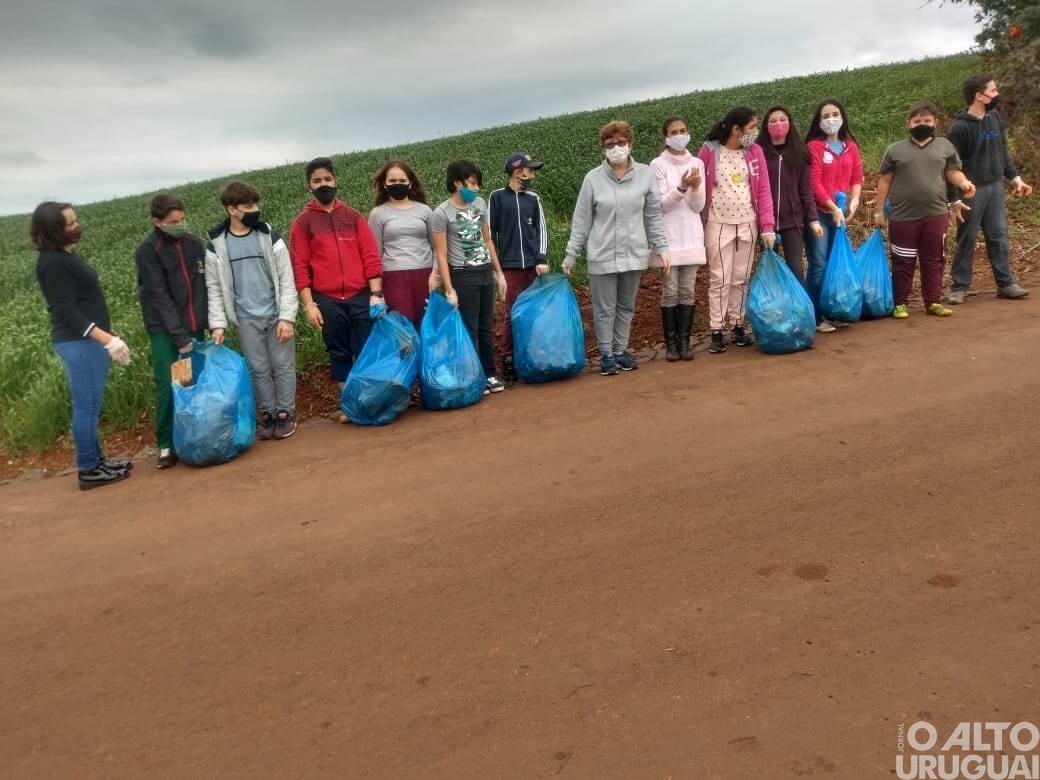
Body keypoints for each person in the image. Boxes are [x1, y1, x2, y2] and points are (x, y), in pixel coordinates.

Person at [32, 202, 133, 490]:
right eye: (69, 224)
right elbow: (65, 310)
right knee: (86, 407)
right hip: (78, 343)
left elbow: (83, 302)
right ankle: (89, 468)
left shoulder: (63, 256)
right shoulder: (52, 262)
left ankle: (98, 461)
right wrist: (106, 339)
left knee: (91, 404)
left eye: (75, 221)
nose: (76, 227)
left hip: (87, 341)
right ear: (53, 231)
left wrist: (107, 332)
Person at [564, 120, 670, 376]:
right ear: (603, 149)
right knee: (604, 308)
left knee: (626, 305)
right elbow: (582, 220)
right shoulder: (593, 179)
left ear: (630, 144)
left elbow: (653, 215)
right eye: (610, 144)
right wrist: (571, 254)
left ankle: (621, 350)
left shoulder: (645, 174)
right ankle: (606, 355)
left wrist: (661, 247)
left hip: (634, 252)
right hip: (602, 254)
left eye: (621, 143)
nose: (616, 148)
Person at [206, 180, 299, 439]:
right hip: (245, 318)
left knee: (282, 365)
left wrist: (287, 317)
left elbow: (286, 278)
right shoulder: (217, 245)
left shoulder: (270, 236)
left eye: (255, 204)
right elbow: (214, 287)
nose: (255, 209)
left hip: (275, 314)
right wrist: (218, 323)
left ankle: (285, 413)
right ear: (232, 210)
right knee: (258, 369)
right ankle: (268, 414)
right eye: (248, 206)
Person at [290, 157, 384, 406]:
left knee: (367, 347)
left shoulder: (353, 217)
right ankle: (350, 402)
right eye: (317, 181)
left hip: (361, 294)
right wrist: (309, 306)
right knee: (339, 350)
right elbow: (299, 266)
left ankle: (370, 400)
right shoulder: (303, 223)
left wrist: (376, 294)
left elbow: (370, 256)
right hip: (327, 298)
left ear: (335, 180)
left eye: (327, 179)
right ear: (308, 186)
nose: (324, 184)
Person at [875, 101, 977, 319]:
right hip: (902, 216)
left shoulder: (945, 146)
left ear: (935, 122)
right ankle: (900, 303)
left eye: (927, 121)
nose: (922, 124)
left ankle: (933, 301)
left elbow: (953, 173)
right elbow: (884, 181)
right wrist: (879, 211)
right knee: (903, 261)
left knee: (933, 259)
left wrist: (964, 183)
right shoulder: (895, 150)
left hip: (936, 214)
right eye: (917, 121)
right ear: (908, 124)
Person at [134, 193, 208, 469]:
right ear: (157, 222)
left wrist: (206, 324)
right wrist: (180, 339)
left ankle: (193, 436)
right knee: (170, 384)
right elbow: (159, 296)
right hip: (165, 333)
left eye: (182, 219)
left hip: (194, 326)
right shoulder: (147, 251)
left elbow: (203, 285)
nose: (180, 224)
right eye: (173, 221)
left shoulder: (192, 244)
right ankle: (166, 443)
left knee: (193, 384)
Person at [946, 74, 1033, 304]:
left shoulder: (994, 117)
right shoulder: (959, 128)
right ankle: (959, 286)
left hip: (995, 187)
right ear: (979, 96)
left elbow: (1002, 151)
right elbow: (950, 167)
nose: (996, 95)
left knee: (998, 235)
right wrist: (953, 200)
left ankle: (1005, 283)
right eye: (993, 91)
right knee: (967, 237)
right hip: (971, 191)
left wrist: (1014, 177)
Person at [697, 107, 775, 354]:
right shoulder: (709, 151)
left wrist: (768, 226)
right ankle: (716, 329)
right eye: (752, 127)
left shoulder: (755, 151)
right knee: (720, 277)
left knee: (741, 277)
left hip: (747, 222)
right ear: (736, 129)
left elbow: (763, 190)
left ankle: (737, 324)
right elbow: (699, 187)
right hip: (718, 222)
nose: (755, 132)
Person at [430, 160, 508, 394]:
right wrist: (450, 288)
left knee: (485, 326)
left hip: (484, 271)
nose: (476, 189)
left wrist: (499, 272)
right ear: (457, 183)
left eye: (477, 184)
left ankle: (489, 374)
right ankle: (472, 375)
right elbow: (441, 255)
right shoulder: (441, 213)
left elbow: (487, 240)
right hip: (463, 275)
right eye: (472, 183)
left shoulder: (480, 204)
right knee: (469, 328)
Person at [488, 152, 549, 381]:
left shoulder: (533, 198)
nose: (532, 175)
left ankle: (531, 354)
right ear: (517, 171)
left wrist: (541, 258)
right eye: (529, 170)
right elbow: (490, 235)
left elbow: (542, 230)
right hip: (510, 266)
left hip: (533, 266)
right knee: (511, 313)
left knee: (534, 311)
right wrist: (497, 269)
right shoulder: (496, 198)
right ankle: (508, 358)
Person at [805, 98, 865, 331]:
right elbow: (815, 182)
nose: (831, 120)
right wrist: (833, 207)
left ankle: (834, 310)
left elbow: (857, 174)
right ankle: (817, 316)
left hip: (841, 214)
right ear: (819, 122)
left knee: (834, 263)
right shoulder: (814, 147)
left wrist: (855, 199)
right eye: (826, 116)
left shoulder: (850, 145)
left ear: (843, 117)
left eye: (835, 114)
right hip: (820, 213)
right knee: (819, 263)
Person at [650, 116, 705, 361]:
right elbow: (661, 205)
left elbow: (698, 206)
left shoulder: (697, 162)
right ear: (666, 137)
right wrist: (682, 187)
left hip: (691, 236)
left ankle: (685, 342)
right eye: (674, 132)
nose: (680, 135)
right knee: (670, 290)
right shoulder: (658, 165)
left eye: (683, 130)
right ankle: (670, 344)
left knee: (688, 290)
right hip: (670, 238)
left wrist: (695, 187)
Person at [755, 106, 823, 284]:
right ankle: (773, 311)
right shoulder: (758, 152)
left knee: (796, 269)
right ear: (766, 126)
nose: (778, 124)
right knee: (770, 271)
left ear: (790, 123)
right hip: (766, 223)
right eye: (773, 121)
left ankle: (800, 310)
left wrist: (813, 219)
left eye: (782, 119)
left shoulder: (801, 152)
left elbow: (805, 190)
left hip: (792, 221)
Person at [367, 160, 435, 331]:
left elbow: (437, 247)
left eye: (402, 181)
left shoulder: (425, 210)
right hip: (394, 277)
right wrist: (377, 292)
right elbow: (375, 253)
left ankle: (425, 359)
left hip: (425, 275)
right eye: (393, 181)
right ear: (385, 184)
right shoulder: (378, 213)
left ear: (410, 183)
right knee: (402, 329)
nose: (398, 185)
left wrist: (436, 275)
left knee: (426, 326)